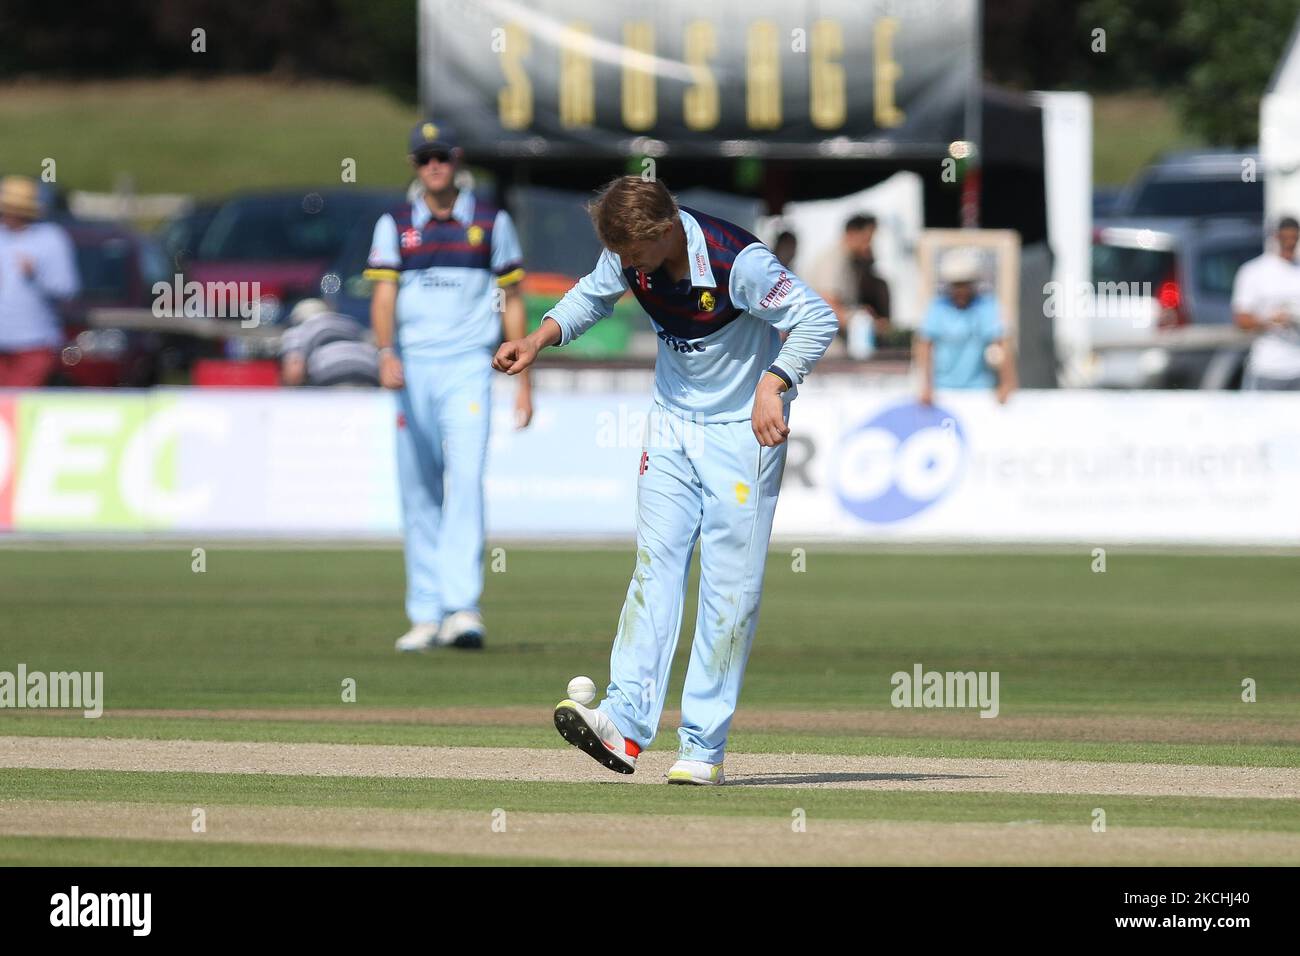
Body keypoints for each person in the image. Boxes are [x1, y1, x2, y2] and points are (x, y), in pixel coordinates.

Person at [493, 176, 836, 785]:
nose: (627, 268)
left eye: (634, 256)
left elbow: (815, 317)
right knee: (656, 565)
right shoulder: (630, 250)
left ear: (665, 230)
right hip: (672, 426)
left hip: (741, 436)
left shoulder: (740, 262)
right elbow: (589, 297)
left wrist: (773, 383)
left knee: (728, 590)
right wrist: (537, 339)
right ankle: (624, 726)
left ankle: (703, 747)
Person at [365, 121, 531, 652]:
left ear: (457, 160)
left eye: (442, 156)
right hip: (413, 367)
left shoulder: (489, 219)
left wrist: (523, 376)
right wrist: (386, 353)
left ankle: (461, 607)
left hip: (466, 367)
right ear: (414, 165)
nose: (434, 166)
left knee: (464, 481)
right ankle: (425, 612)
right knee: (417, 488)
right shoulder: (395, 223)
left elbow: (514, 297)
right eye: (424, 158)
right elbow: (384, 297)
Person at [0, 175, 79, 387]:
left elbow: (67, 288)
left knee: (17, 404)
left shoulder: (50, 238)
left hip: (34, 340)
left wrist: (36, 276)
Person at [915, 249, 1015, 405]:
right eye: (956, 284)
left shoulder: (987, 307)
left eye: (965, 284)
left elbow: (1002, 345)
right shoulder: (937, 308)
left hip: (980, 391)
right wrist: (926, 385)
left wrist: (1007, 383)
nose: (961, 290)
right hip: (941, 391)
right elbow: (924, 347)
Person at [1232, 216, 1300, 390]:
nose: (1290, 244)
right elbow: (1241, 319)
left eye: (1294, 238)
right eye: (1285, 239)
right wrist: (1270, 321)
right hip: (1268, 366)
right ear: (1276, 238)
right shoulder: (1254, 271)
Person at [811, 213, 892, 347]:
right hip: (827, 349)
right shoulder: (833, 261)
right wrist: (864, 321)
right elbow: (829, 307)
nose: (869, 245)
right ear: (852, 233)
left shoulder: (853, 262)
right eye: (867, 239)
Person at [279, 298, 379, 387]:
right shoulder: (349, 322)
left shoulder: (298, 330)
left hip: (334, 377)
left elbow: (294, 371)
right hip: (370, 373)